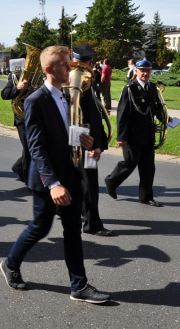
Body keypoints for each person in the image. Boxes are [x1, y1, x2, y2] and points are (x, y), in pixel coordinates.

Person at [0, 46, 110, 304]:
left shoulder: (69, 95)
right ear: (49, 70)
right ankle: (10, 263)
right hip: (48, 180)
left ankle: (79, 286)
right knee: (40, 226)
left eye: (69, 63)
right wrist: (53, 184)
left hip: (71, 173)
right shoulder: (35, 100)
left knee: (73, 230)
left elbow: (69, 131)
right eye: (63, 64)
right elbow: (36, 148)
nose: (70, 68)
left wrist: (88, 143)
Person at [104, 59, 170, 206]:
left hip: (148, 133)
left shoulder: (152, 88)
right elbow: (122, 114)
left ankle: (146, 197)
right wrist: (121, 137)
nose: (145, 74)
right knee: (130, 163)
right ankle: (111, 181)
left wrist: (166, 118)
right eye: (143, 71)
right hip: (133, 134)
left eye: (148, 71)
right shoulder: (129, 88)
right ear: (136, 71)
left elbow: (156, 108)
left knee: (148, 167)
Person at [72, 44, 113, 236]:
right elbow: (87, 119)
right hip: (85, 142)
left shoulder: (77, 81)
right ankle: (92, 224)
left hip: (79, 140)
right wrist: (95, 145)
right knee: (90, 185)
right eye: (88, 62)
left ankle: (75, 213)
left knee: (79, 181)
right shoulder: (81, 82)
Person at [1, 70, 30, 183]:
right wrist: (18, 88)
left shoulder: (42, 76)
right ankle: (28, 179)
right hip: (22, 118)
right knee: (29, 149)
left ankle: (19, 167)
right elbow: (4, 94)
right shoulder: (16, 76)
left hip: (36, 117)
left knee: (32, 148)